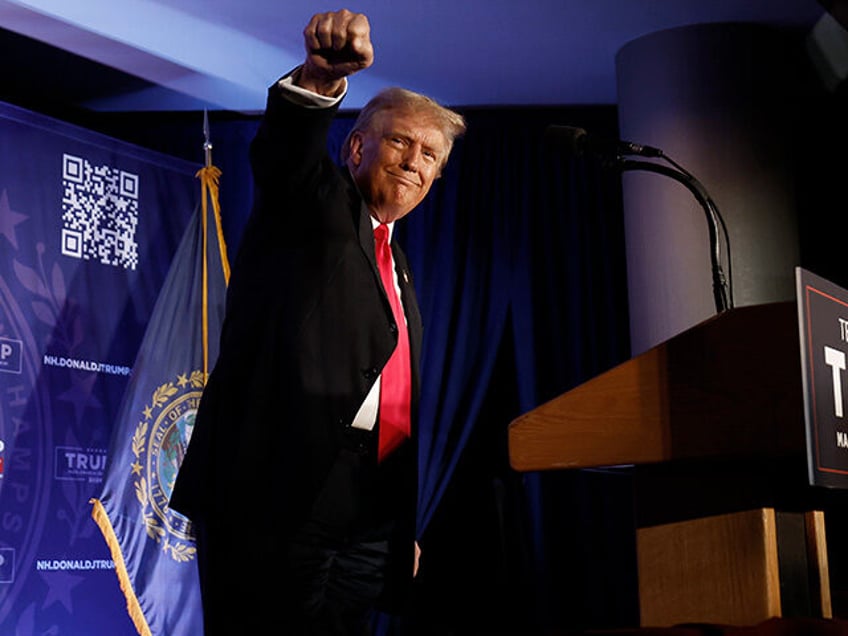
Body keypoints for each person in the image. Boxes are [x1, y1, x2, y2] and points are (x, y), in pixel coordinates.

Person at [169, 8, 466, 635]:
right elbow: (286, 155)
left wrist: (396, 528)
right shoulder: (311, 206)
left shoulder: (398, 265)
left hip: (367, 516)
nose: (415, 160)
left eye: (431, 154)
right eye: (401, 141)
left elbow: (395, 404)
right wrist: (318, 80)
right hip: (274, 500)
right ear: (356, 146)